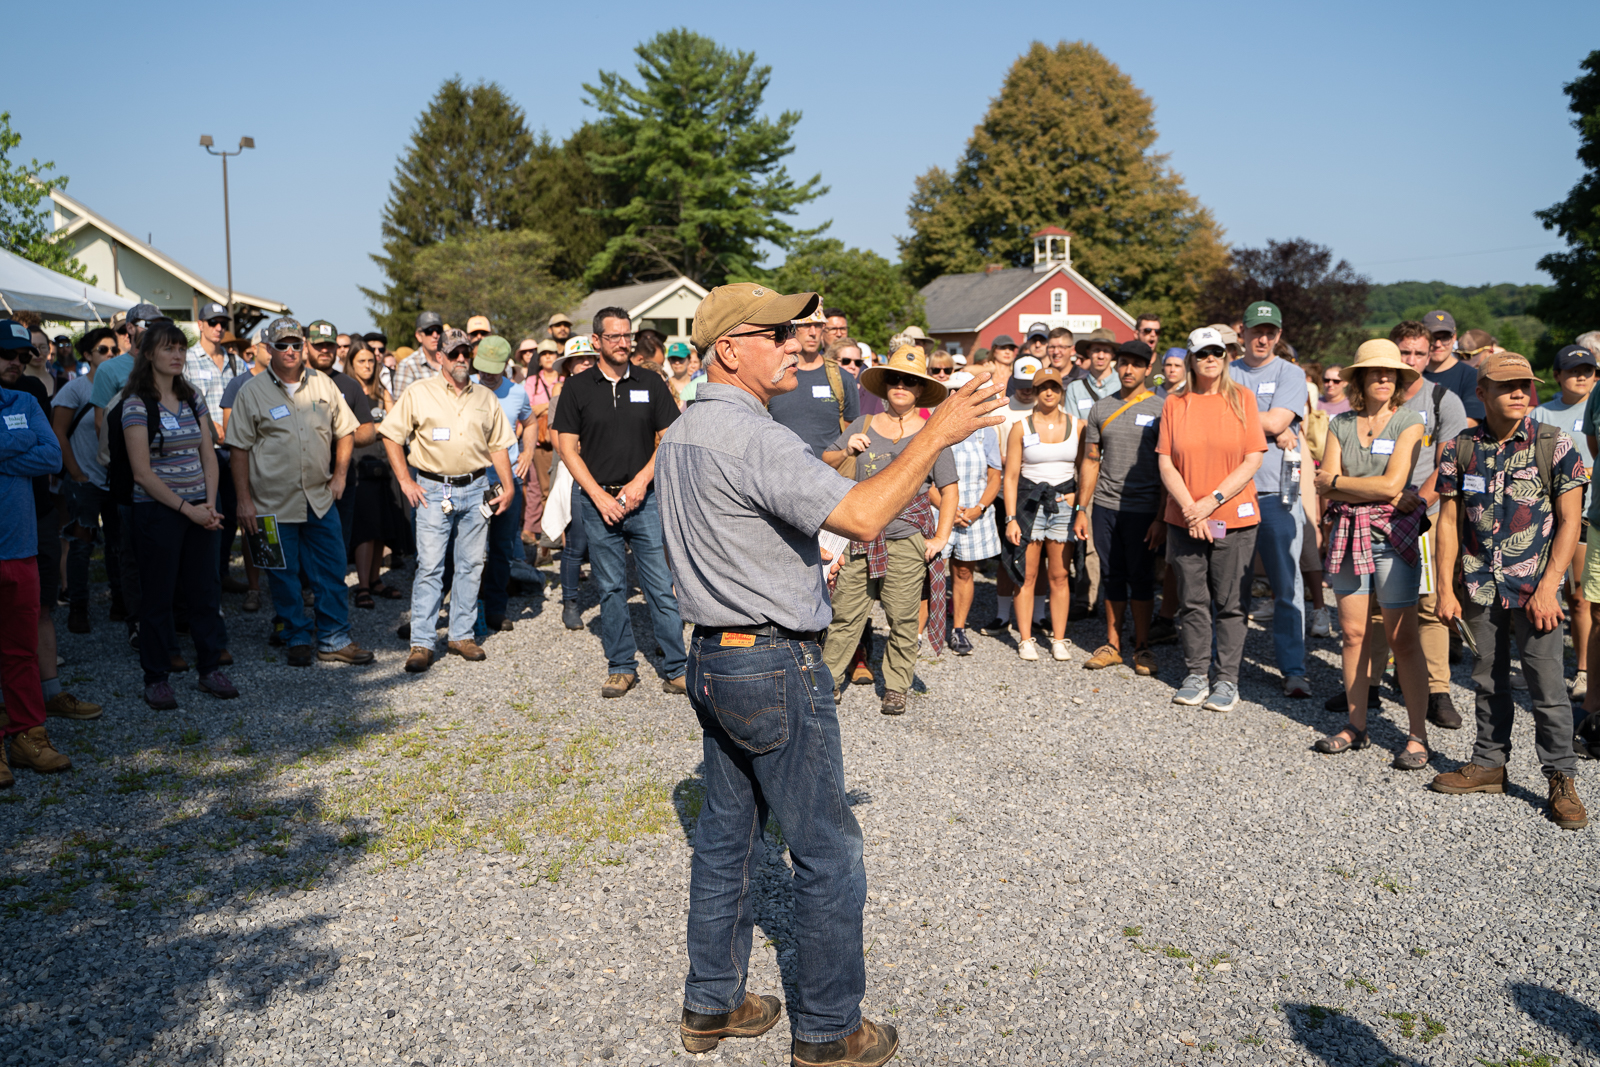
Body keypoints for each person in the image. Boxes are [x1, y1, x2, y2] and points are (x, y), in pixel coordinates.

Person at [655, 284, 1001, 1067]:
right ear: (729, 349)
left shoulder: (683, 432)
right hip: (774, 658)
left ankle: (712, 1002)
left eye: (796, 328)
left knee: (726, 840)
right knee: (827, 852)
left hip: (711, 654)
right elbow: (867, 515)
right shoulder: (751, 435)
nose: (796, 340)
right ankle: (828, 1028)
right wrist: (934, 430)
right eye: (776, 330)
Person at [1432, 352, 1588, 830]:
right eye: (1507, 386)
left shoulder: (1555, 445)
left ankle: (1561, 778)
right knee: (1487, 680)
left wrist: (1548, 588)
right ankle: (1489, 765)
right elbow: (1449, 522)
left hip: (1534, 588)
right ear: (1482, 393)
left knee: (1546, 686)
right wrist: (1444, 587)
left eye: (1525, 384)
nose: (1520, 392)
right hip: (1479, 585)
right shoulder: (1460, 448)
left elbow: (1568, 523)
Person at [552, 308, 686, 697]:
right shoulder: (577, 387)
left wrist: (641, 482)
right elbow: (567, 448)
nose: (624, 343)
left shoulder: (650, 382)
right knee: (610, 587)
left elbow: (670, 438)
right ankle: (622, 666)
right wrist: (598, 495)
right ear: (596, 341)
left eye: (627, 336)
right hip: (597, 502)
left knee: (660, 585)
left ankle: (676, 667)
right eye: (614, 337)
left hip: (644, 500)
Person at [1312, 340, 1432, 768]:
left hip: (1391, 537)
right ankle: (1356, 726)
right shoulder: (1340, 422)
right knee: (1352, 634)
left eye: (1391, 373)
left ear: (1399, 380)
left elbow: (1390, 485)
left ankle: (1417, 736)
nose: (1384, 378)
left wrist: (1343, 482)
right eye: (1375, 372)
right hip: (1347, 533)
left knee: (1404, 639)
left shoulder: (1409, 421)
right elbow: (1323, 484)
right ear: (1360, 378)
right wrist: (1352, 485)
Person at [228, 318, 374, 669]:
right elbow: (238, 450)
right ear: (268, 348)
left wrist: (340, 476)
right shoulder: (251, 391)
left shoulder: (324, 384)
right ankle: (295, 635)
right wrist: (244, 501)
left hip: (320, 499)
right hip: (269, 504)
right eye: (282, 345)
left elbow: (347, 431)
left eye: (295, 344)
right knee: (282, 574)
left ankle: (334, 639)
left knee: (332, 570)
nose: (290, 351)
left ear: (304, 345)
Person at [822, 345, 958, 713]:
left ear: (920, 389)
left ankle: (896, 686)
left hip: (907, 540)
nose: (901, 385)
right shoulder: (862, 425)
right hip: (860, 538)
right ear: (884, 386)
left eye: (910, 381)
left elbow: (949, 488)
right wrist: (847, 451)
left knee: (901, 617)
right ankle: (829, 681)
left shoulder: (932, 433)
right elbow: (826, 463)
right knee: (845, 614)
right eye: (895, 379)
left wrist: (941, 537)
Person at [381, 328, 516, 672]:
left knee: (472, 565)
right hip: (431, 489)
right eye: (453, 353)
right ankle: (422, 643)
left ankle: (461, 635)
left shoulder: (485, 397)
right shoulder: (418, 392)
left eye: (465, 353)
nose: (460, 359)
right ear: (439, 355)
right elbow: (391, 436)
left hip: (475, 489)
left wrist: (508, 484)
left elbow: (499, 443)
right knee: (430, 567)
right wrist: (405, 481)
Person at [120, 320, 237, 708]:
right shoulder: (136, 403)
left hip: (201, 509)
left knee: (206, 592)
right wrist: (189, 509)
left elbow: (209, 453)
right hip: (160, 513)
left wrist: (210, 504)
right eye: (168, 348)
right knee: (159, 597)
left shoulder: (192, 397)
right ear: (149, 353)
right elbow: (141, 473)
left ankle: (210, 669)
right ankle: (155, 677)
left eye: (181, 349)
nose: (177, 355)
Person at [1158, 328, 1268, 712]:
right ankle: (1195, 672)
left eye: (1217, 353)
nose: (1211, 359)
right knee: (1192, 600)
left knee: (1231, 602)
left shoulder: (1243, 399)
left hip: (1233, 518)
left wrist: (1212, 501)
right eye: (1203, 353)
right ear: (1191, 358)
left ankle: (1227, 679)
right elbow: (1166, 460)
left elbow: (1253, 457)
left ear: (1225, 357)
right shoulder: (1175, 403)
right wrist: (1191, 507)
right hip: (1185, 517)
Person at [0, 319, 73, 783]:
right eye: (5, 354)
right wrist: (23, 441)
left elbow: (52, 457)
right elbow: (38, 450)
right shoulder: (27, 411)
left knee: (21, 649)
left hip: (21, 549)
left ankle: (28, 736)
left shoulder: (27, 400)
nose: (14, 362)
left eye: (21, 356)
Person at [1230, 301, 1311, 698]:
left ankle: (1293, 669)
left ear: (1279, 335)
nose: (1263, 338)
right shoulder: (1225, 371)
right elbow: (1269, 422)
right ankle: (1225, 666)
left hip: (1279, 493)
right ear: (1240, 332)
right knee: (1231, 587)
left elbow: (1279, 421)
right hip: (1232, 494)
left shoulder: (1290, 373)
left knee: (1286, 587)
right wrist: (1268, 424)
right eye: (1256, 330)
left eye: (1271, 332)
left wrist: (1243, 420)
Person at [1074, 340, 1166, 675]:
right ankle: (1112, 645)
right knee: (1112, 575)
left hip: (1145, 509)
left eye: (1136, 364)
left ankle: (1142, 647)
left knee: (1141, 578)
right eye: (1123, 363)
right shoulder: (1100, 408)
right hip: (1106, 506)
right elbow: (1091, 461)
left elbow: (1169, 468)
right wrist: (1082, 508)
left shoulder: (1161, 409)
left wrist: (1161, 517)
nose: (1128, 370)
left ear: (1148, 368)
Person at [1532, 344, 1597, 701]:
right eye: (1573, 370)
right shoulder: (1541, 413)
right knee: (1576, 599)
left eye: (1588, 370)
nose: (1582, 376)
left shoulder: (1598, 406)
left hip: (1593, 514)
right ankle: (1580, 671)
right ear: (1557, 375)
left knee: (1590, 598)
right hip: (1558, 519)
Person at [1002, 366, 1079, 662]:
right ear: (1034, 391)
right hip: (1029, 504)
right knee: (1027, 574)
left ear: (1061, 391)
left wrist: (1078, 497)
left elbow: (1085, 468)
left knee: (1059, 575)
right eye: (1043, 387)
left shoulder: (1078, 425)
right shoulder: (1021, 427)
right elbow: (1010, 476)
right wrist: (1010, 518)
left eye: (1055, 387)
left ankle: (1059, 639)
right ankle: (1025, 639)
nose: (1049, 392)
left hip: (1064, 504)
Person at [52, 328, 124, 637]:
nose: (110, 354)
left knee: (119, 545)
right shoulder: (75, 390)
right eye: (103, 350)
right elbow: (57, 434)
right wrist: (76, 473)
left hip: (116, 480)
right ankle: (78, 608)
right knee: (81, 547)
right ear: (88, 355)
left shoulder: (124, 388)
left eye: (113, 350)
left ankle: (120, 603)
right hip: (84, 479)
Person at [472, 336, 542, 631]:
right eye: (482, 368)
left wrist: (527, 451)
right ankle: (467, 610)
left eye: (493, 369)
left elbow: (531, 421)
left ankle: (496, 610)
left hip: (506, 481)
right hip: (472, 481)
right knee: (470, 550)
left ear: (505, 365)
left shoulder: (517, 393)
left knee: (501, 548)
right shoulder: (468, 389)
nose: (486, 374)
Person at [304, 321, 380, 559]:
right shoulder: (295, 381)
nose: (325, 350)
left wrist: (342, 437)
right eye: (319, 345)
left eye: (329, 345)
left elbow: (368, 431)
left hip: (341, 478)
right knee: (304, 543)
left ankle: (334, 594)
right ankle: (306, 593)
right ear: (307, 346)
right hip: (302, 478)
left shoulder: (349, 385)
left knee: (337, 542)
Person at [943, 370, 1003, 655]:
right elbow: (923, 477)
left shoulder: (985, 432)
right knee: (927, 574)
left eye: (964, 392)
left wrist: (979, 508)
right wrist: (947, 508)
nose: (958, 397)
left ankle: (958, 629)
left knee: (964, 572)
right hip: (940, 509)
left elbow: (994, 477)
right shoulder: (934, 427)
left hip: (973, 512)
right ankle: (916, 632)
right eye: (954, 391)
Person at [345, 344, 407, 606]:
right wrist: (379, 428)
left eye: (371, 360)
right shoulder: (347, 390)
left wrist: (386, 393)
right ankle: (362, 585)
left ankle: (375, 580)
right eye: (361, 361)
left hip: (385, 461)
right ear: (352, 363)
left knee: (382, 526)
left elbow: (396, 422)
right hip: (361, 462)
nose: (368, 366)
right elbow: (354, 429)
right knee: (365, 528)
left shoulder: (382, 391)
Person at [547, 339, 596, 628]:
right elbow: (561, 445)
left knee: (605, 541)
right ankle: (570, 602)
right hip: (573, 473)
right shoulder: (560, 398)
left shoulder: (605, 392)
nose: (586, 363)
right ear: (568, 366)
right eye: (579, 360)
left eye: (590, 358)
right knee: (576, 541)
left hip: (607, 474)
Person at [767, 306, 859, 459]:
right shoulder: (773, 375)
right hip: (780, 475)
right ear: (792, 328)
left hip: (829, 476)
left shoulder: (842, 378)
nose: (813, 333)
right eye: (805, 325)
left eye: (817, 325)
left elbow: (850, 429)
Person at [520, 338, 561, 546]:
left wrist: (542, 407)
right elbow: (528, 410)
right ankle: (541, 533)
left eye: (551, 354)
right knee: (538, 488)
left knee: (554, 488)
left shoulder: (564, 379)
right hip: (538, 442)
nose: (547, 357)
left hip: (559, 441)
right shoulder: (532, 381)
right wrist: (551, 404)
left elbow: (540, 408)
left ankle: (549, 534)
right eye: (544, 354)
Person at [1420, 310, 1486, 424]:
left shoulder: (1471, 376)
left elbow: (1471, 422)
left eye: (1445, 338)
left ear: (1454, 337)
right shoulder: (1413, 374)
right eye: (1432, 338)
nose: (1438, 344)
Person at [1063, 329, 1119, 418]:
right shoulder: (1074, 389)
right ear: (1088, 353)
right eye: (1096, 350)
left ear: (1113, 354)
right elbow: (1073, 425)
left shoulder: (1123, 386)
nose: (1101, 356)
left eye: (1106, 351)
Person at [392, 310, 444, 397]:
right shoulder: (408, 366)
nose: (435, 335)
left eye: (438, 330)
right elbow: (401, 404)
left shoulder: (451, 360)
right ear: (419, 336)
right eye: (429, 331)